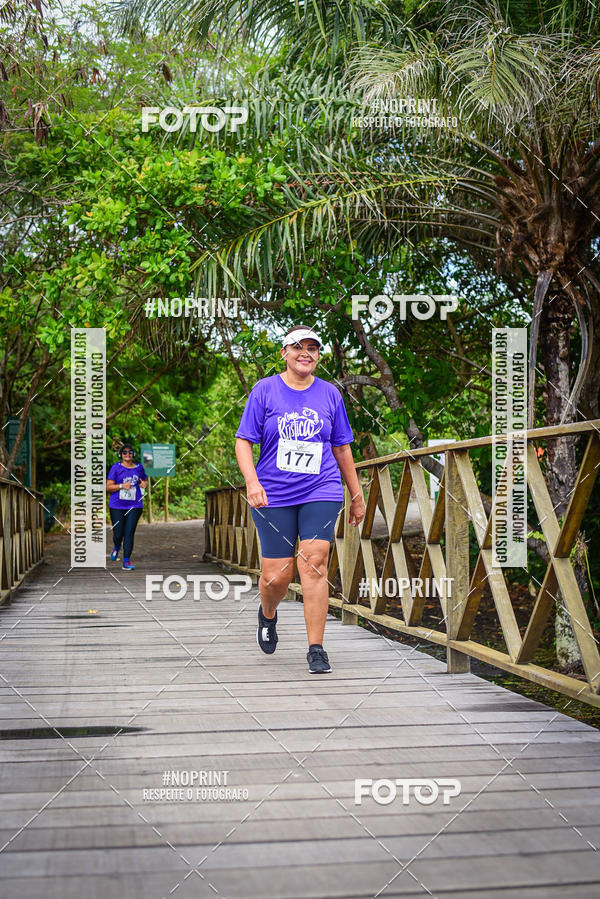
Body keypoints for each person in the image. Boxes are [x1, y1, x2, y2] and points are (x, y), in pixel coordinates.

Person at [235, 325, 366, 673]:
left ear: (318, 355)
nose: (305, 353)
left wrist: (356, 493)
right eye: (298, 347)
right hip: (273, 493)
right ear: (284, 353)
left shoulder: (329, 394)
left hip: (320, 490)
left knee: (315, 562)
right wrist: (251, 482)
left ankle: (316, 648)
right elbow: (243, 441)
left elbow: (341, 446)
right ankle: (267, 613)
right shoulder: (265, 390)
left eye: (312, 348)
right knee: (277, 576)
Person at [106, 443, 148, 571]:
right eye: (125, 452)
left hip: (134, 505)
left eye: (130, 452)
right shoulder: (116, 467)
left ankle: (126, 560)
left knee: (129, 532)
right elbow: (108, 487)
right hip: (117, 505)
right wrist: (121, 486)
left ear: (133, 454)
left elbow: (145, 481)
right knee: (118, 533)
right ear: (121, 455)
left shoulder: (139, 467)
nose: (127, 455)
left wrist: (144, 484)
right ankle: (117, 546)